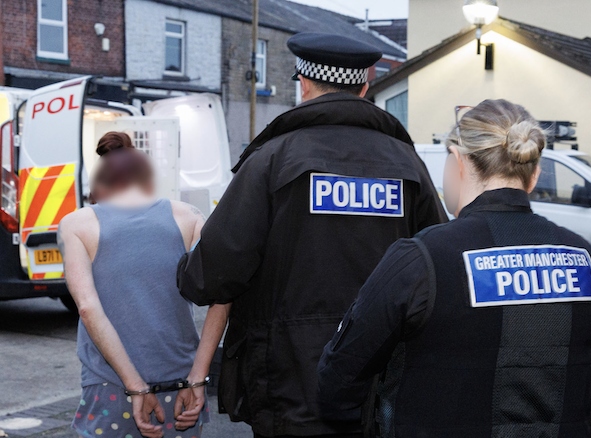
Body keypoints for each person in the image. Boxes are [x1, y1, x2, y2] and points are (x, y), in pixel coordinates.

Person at [176, 33, 448, 438]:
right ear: (366, 85)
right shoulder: (406, 164)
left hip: (286, 382)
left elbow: (211, 274)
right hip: (379, 378)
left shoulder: (271, 159)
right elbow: (437, 266)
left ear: (304, 85)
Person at [317, 99, 591, 437]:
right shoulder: (581, 257)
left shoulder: (422, 259)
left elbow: (338, 380)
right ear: (535, 172)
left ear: (457, 161)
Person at [58, 133, 230, 438]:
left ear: (100, 185)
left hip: (109, 386)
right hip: (182, 389)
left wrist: (135, 386)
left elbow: (87, 308)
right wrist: (198, 377)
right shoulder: (190, 217)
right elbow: (223, 295)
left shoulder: (76, 224)